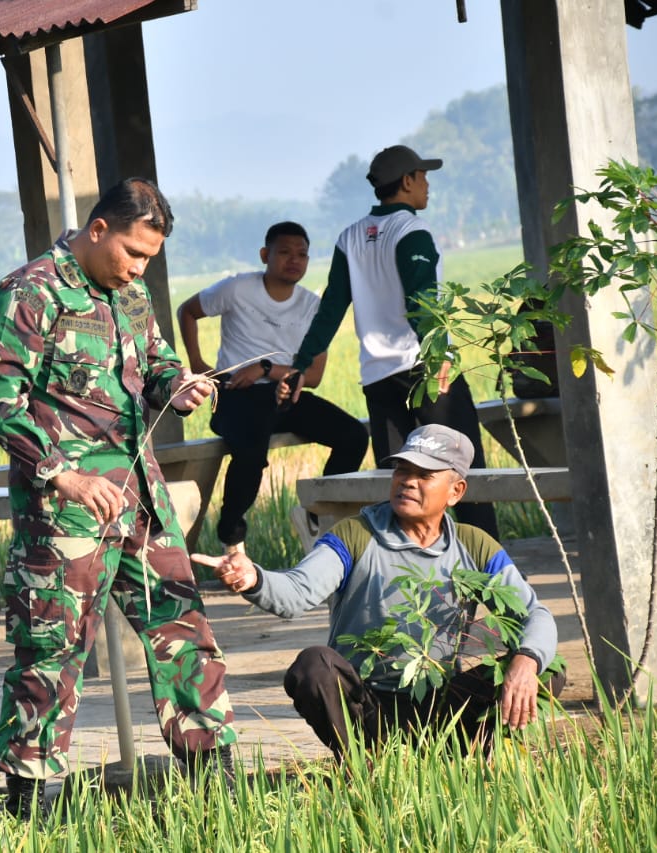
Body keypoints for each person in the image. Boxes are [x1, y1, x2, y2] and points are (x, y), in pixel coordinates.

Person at [0, 178, 237, 817]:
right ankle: (31, 803)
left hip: (141, 497)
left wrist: (180, 387)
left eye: (149, 258)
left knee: (184, 628)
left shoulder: (132, 293)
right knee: (54, 648)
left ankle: (213, 782)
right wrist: (64, 474)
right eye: (133, 253)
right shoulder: (31, 292)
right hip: (66, 508)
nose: (140, 268)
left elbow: (155, 363)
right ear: (98, 230)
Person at [193, 424, 561, 759]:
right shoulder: (356, 534)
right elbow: (298, 591)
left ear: (455, 491)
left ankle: (461, 758)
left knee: (546, 670)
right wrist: (253, 578)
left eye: (424, 474)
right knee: (314, 667)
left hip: (441, 699)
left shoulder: (474, 545)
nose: (407, 481)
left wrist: (525, 662)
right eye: (402, 470)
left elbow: (534, 614)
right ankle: (364, 760)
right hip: (368, 705)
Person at [279, 145, 498, 537]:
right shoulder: (411, 231)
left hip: (378, 378)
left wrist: (301, 363)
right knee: (466, 475)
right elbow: (422, 301)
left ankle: (404, 574)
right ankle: (487, 573)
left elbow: (330, 308)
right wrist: (439, 354)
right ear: (408, 180)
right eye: (423, 176)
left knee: (401, 488)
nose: (428, 185)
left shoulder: (349, 238)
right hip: (426, 372)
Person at [177, 221, 368, 548]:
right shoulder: (237, 289)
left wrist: (266, 368)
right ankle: (231, 538)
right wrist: (198, 364)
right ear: (265, 254)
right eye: (284, 252)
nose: (294, 260)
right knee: (251, 454)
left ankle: (315, 513)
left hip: (284, 396)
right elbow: (188, 311)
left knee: (354, 436)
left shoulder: (312, 306)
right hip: (237, 396)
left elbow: (315, 378)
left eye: (302, 254)